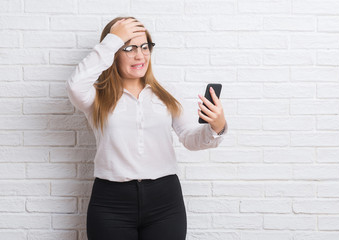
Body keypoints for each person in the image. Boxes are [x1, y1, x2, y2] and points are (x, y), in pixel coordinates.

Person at [66, 16, 228, 240]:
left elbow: (190, 139)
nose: (139, 55)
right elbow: (74, 85)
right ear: (113, 51)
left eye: (144, 47)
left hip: (165, 201)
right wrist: (113, 39)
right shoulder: (96, 96)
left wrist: (216, 126)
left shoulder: (166, 93)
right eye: (128, 47)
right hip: (111, 202)